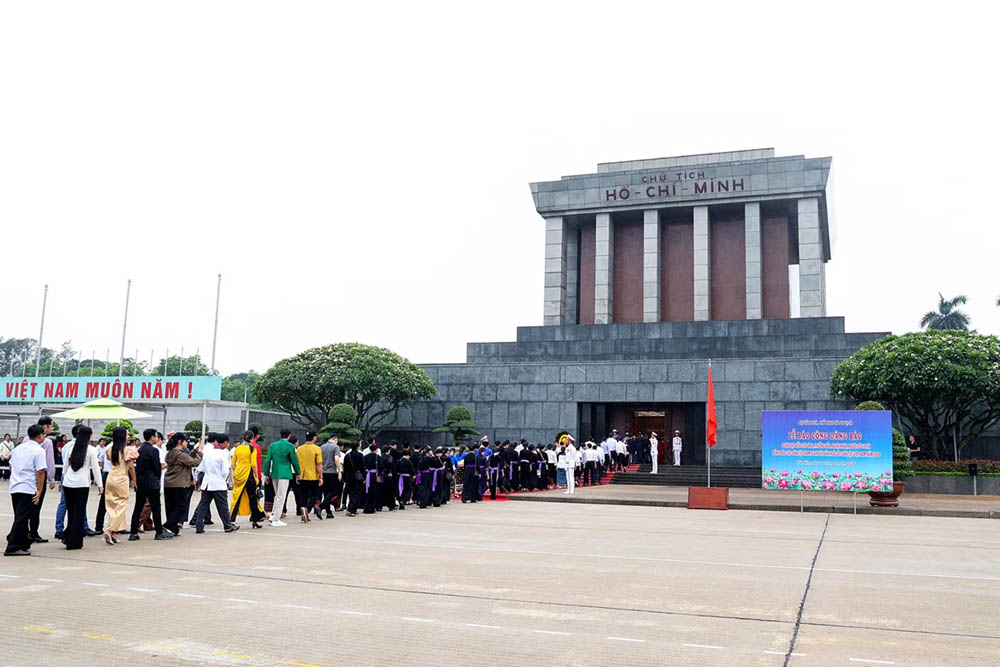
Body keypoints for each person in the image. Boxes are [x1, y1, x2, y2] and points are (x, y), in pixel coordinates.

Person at [4, 425, 48, 556]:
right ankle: (12, 546)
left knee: (20, 516)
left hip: (15, 486)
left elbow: (11, 465)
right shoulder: (39, 451)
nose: (44, 437)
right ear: (39, 435)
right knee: (22, 517)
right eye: (44, 434)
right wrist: (39, 490)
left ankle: (23, 542)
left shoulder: (18, 448)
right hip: (28, 487)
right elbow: (40, 471)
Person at [59, 426, 103, 550]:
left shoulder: (71, 447)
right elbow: (95, 468)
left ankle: (68, 537)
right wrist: (100, 485)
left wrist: (63, 480)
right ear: (88, 436)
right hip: (81, 484)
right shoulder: (92, 450)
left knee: (72, 512)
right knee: (79, 512)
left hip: (68, 483)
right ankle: (75, 541)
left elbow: (65, 466)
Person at [130, 429, 171, 541]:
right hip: (151, 481)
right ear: (152, 437)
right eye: (156, 436)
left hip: (141, 482)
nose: (157, 438)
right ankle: (159, 532)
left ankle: (133, 532)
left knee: (138, 507)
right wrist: (157, 477)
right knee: (156, 507)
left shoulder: (139, 450)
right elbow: (157, 467)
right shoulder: (154, 450)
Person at [193, 434, 238, 534]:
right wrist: (222, 480)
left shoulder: (208, 453)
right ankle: (227, 525)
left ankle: (199, 526)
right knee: (223, 506)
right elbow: (225, 471)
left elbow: (201, 468)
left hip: (207, 483)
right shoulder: (223, 454)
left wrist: (198, 479)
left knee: (203, 505)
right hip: (218, 483)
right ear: (225, 443)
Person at [102, 427, 136, 545]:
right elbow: (131, 467)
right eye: (127, 435)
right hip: (122, 478)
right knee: (122, 504)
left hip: (111, 477)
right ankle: (110, 529)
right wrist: (134, 480)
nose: (129, 437)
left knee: (112, 504)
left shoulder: (111, 449)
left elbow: (108, 458)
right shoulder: (127, 450)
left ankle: (114, 533)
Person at [164, 432, 202, 536]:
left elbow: (188, 458)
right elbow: (194, 462)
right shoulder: (180, 454)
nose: (187, 443)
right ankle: (168, 526)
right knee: (181, 507)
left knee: (171, 507)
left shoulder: (171, 452)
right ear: (181, 442)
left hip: (169, 483)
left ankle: (173, 529)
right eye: (186, 441)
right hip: (179, 483)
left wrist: (194, 451)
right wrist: (200, 453)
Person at [262, 429, 301, 527]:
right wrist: (298, 473)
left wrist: (266, 474)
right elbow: (294, 460)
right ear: (289, 436)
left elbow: (267, 460)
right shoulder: (290, 446)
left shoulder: (273, 445)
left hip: (274, 472)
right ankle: (276, 519)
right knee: (281, 496)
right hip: (285, 473)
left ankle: (273, 515)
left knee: (277, 495)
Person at [28, 416, 57, 544]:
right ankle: (33, 533)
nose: (51, 428)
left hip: (26, 478)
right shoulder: (47, 442)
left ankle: (24, 531)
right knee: (36, 506)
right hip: (39, 477)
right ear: (45, 427)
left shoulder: (26, 440)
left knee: (25, 507)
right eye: (51, 426)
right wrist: (51, 479)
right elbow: (49, 462)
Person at [230, 431, 266, 529]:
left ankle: (231, 520)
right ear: (252, 438)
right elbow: (254, 465)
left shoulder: (237, 449)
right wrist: (257, 476)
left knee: (236, 498)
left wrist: (237, 470)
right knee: (253, 498)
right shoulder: (252, 449)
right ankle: (255, 520)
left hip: (239, 475)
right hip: (249, 475)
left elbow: (233, 464)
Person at [294, 431, 323, 522]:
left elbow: (297, 463)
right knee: (316, 495)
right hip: (313, 476)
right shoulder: (317, 449)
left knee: (303, 495)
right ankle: (307, 509)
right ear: (314, 438)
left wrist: (297, 475)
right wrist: (321, 476)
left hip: (302, 475)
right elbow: (318, 464)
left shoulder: (299, 449)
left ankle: (303, 508)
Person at [319, 435, 343, 518]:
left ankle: (329, 512)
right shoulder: (335, 447)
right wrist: (339, 471)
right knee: (333, 491)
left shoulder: (321, 447)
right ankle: (321, 506)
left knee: (326, 492)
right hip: (332, 472)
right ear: (335, 439)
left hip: (323, 471)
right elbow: (336, 459)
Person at [342, 440, 365, 517]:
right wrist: (364, 477)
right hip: (357, 477)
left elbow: (344, 467)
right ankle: (351, 510)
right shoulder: (360, 455)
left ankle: (352, 509)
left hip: (348, 477)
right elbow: (363, 468)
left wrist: (344, 477)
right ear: (358, 446)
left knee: (351, 493)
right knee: (356, 494)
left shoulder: (347, 455)